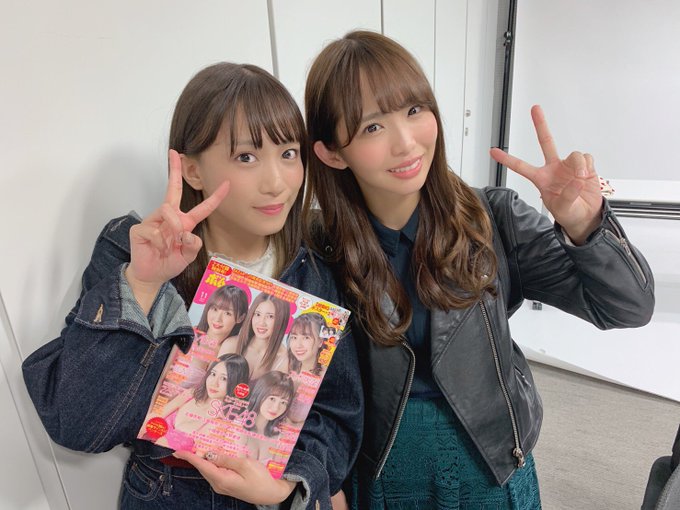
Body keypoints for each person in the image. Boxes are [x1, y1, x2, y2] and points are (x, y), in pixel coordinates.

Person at [303, 30, 654, 509]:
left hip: (492, 465)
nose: (406, 143)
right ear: (331, 152)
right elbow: (307, 390)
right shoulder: (319, 249)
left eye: (414, 110)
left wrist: (584, 225)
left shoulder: (493, 219)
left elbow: (627, 308)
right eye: (372, 127)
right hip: (382, 474)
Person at [21, 62, 363, 509]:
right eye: (246, 157)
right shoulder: (132, 251)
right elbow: (77, 424)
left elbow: (337, 413)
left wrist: (290, 486)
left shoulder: (314, 267)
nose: (277, 182)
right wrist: (143, 283)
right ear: (193, 171)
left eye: (288, 152)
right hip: (168, 491)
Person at [150, 353, 250, 453]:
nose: (214, 383)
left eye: (224, 378)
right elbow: (154, 416)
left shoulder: (221, 423)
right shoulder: (192, 393)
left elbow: (200, 455)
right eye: (213, 374)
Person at [179, 284, 249, 389]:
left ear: (240, 318)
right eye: (215, 309)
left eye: (227, 313)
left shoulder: (229, 349)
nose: (217, 318)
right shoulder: (190, 333)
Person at [218, 292, 290, 380]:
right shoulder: (232, 344)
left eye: (270, 316)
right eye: (258, 314)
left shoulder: (283, 360)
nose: (261, 322)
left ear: (282, 320)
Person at [240, 371, 295, 462]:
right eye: (272, 399)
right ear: (259, 394)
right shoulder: (239, 426)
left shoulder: (281, 436)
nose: (276, 408)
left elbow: (276, 469)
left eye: (283, 402)